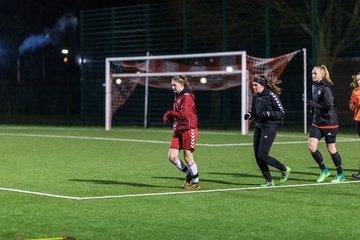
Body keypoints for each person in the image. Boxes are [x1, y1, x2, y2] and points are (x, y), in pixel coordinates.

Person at [244, 75, 291, 187]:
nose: (254, 87)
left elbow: (281, 112)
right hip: (258, 127)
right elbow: (255, 112)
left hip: (269, 128)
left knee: (262, 155)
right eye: (253, 85)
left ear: (262, 85)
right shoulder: (256, 97)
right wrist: (249, 114)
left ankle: (284, 169)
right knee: (257, 156)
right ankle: (269, 181)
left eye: (256, 85)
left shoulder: (271, 95)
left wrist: (268, 114)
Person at [307, 65, 345, 183]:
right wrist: (312, 109)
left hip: (329, 122)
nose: (313, 75)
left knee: (331, 148)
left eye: (315, 73)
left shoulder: (326, 88)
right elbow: (317, 103)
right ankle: (324, 171)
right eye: (312, 73)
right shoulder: (314, 86)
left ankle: (340, 175)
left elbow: (328, 106)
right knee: (311, 146)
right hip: (317, 122)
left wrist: (313, 104)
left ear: (322, 75)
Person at [163, 75, 200, 190]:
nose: (173, 87)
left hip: (189, 128)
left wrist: (170, 112)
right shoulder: (179, 96)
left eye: (175, 85)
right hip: (179, 128)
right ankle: (188, 174)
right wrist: (172, 117)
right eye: (172, 85)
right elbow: (180, 115)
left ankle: (196, 181)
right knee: (172, 157)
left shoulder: (187, 96)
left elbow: (184, 115)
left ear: (182, 84)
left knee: (188, 157)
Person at [349, 72, 360, 179]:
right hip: (358, 120)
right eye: (358, 80)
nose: (359, 82)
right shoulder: (355, 91)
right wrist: (354, 103)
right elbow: (351, 107)